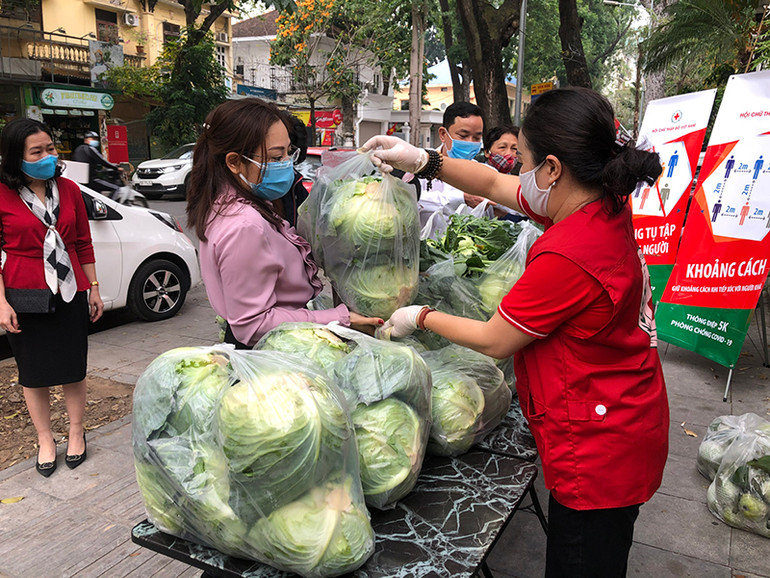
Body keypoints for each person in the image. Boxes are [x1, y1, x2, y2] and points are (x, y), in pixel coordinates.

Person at [363, 87, 669, 577]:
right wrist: (424, 160)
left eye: (522, 160)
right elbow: (494, 185)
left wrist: (418, 317)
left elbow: (495, 339)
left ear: (552, 168)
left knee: (584, 560)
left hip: (599, 446)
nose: (516, 170)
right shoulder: (596, 200)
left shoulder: (571, 251)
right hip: (622, 409)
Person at [186, 98, 383, 349]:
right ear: (234, 162)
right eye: (277, 156)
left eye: (289, 152)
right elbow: (253, 325)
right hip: (267, 351)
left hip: (277, 340)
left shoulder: (235, 202)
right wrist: (340, 319)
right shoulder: (244, 225)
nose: (287, 163)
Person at [0, 119, 104, 477]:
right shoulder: (1, 194)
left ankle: (76, 432)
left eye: (50, 149)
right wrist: (1, 303)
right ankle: (45, 439)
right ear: (16, 157)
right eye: (37, 151)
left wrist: (94, 288)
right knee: (34, 373)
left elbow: (83, 243)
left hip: (70, 289)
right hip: (23, 294)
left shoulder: (70, 189)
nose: (47, 156)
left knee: (72, 368)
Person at [417, 101, 490, 225]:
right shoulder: (420, 164)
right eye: (463, 136)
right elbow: (412, 200)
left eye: (477, 138)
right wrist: (461, 198)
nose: (470, 142)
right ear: (443, 134)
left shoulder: (484, 172)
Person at [71, 131, 124, 196]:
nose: (95, 141)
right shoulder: (90, 148)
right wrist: (116, 167)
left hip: (81, 181)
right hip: (92, 179)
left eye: (96, 139)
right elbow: (101, 160)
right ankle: (112, 206)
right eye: (93, 139)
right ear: (86, 140)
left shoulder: (78, 149)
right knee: (116, 188)